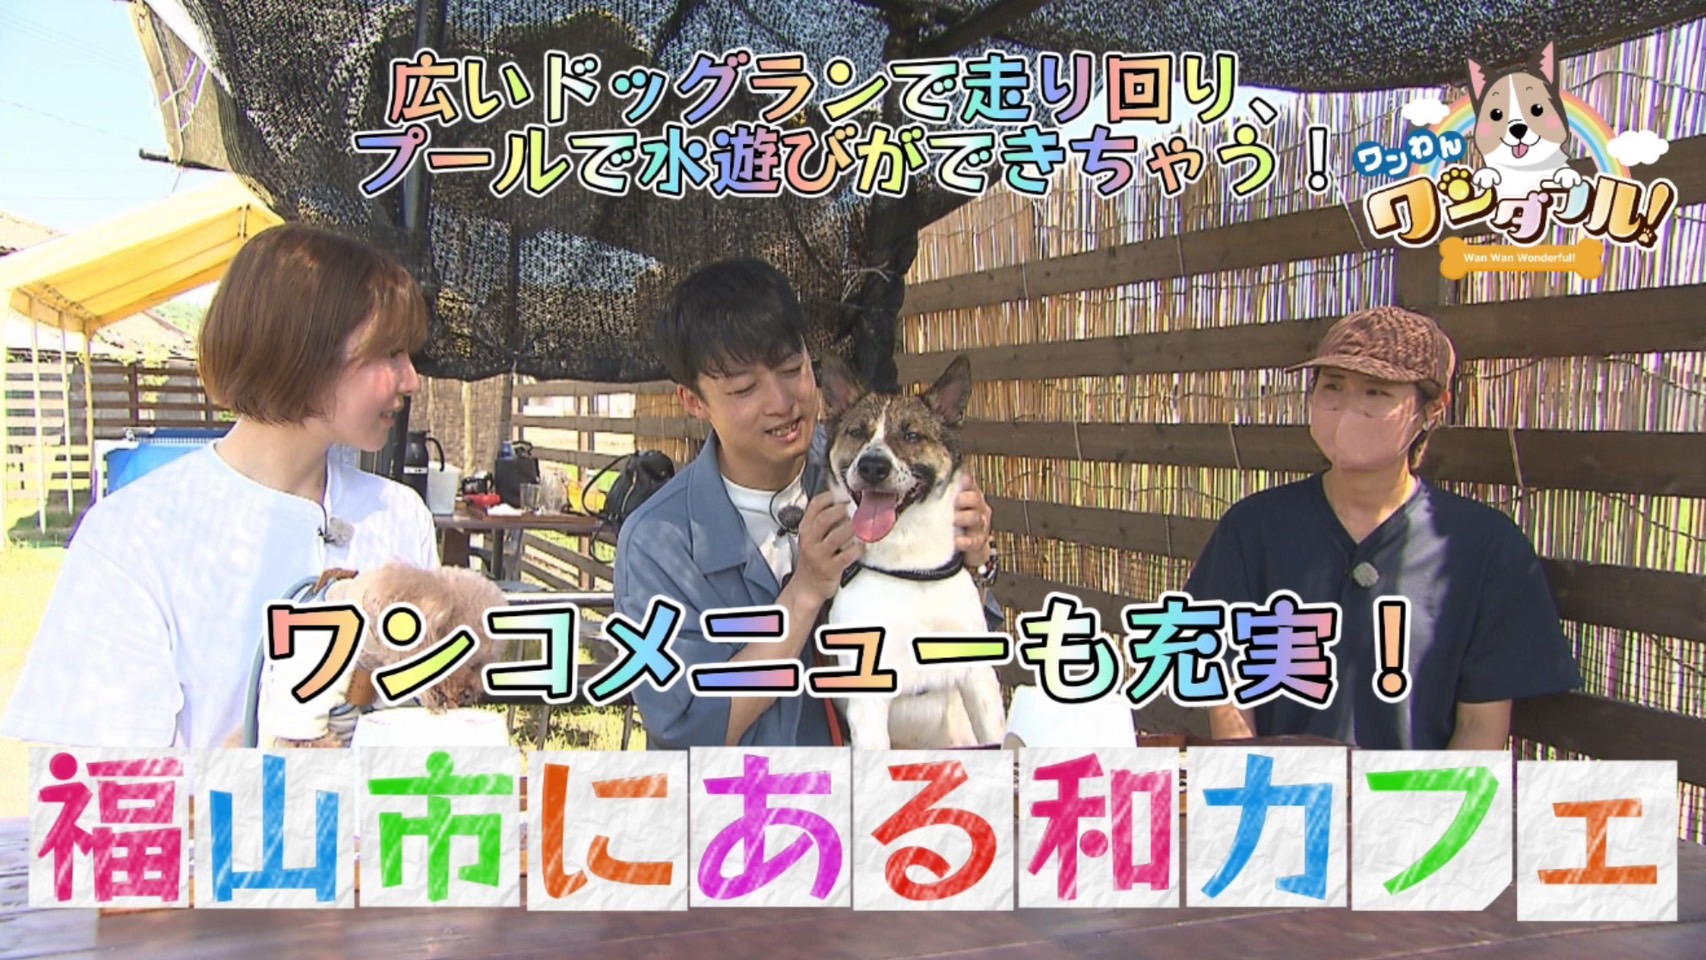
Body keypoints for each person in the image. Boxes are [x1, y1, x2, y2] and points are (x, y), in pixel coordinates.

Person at [1, 222, 440, 749]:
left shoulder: (399, 514)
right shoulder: (134, 535)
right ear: (303, 349)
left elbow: (421, 711)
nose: (412, 380)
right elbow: (96, 784)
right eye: (390, 353)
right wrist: (261, 754)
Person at [615, 258, 1003, 749]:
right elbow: (688, 731)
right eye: (744, 388)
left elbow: (962, 649)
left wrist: (971, 563)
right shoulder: (657, 541)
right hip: (752, 791)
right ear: (693, 401)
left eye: (792, 369)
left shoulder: (864, 468)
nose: (782, 403)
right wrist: (805, 592)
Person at [1186, 305, 1581, 750]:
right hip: (1281, 788)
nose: (1348, 410)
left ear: (1432, 409)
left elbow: (1480, 726)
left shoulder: (1484, 548)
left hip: (1416, 793)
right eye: (1333, 387)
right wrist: (1253, 779)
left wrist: (1425, 799)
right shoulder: (1254, 528)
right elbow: (1227, 693)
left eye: (1376, 392)